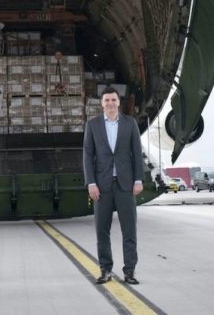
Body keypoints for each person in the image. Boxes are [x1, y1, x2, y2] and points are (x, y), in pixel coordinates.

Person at [83, 87, 144, 285]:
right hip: (102, 186)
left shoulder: (130, 123)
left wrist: (138, 179)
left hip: (126, 185)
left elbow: (136, 152)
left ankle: (129, 271)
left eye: (113, 100)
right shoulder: (92, 125)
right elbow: (87, 156)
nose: (110, 103)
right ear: (102, 104)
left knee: (129, 231)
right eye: (107, 100)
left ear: (119, 102)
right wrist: (91, 182)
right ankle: (106, 270)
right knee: (102, 231)